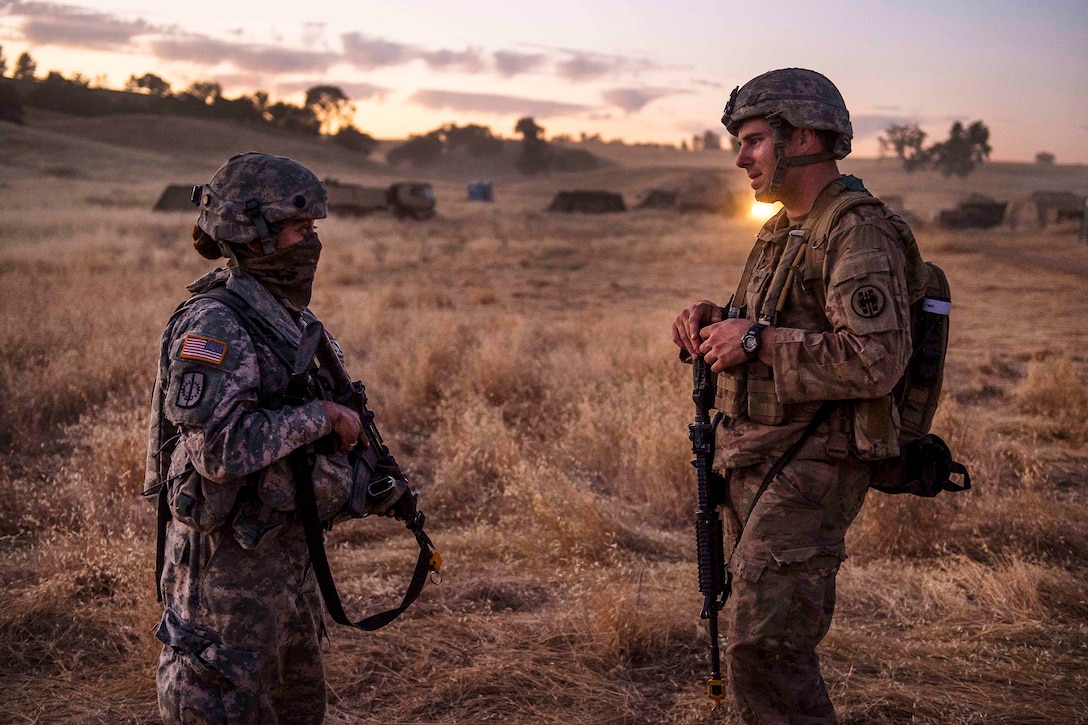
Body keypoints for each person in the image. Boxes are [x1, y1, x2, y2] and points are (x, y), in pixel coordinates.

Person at [672, 69, 926, 723]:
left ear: (807, 136)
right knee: (758, 642)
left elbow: (877, 360)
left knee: (766, 649)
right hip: (760, 453)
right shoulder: (784, 228)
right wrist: (714, 319)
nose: (740, 157)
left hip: (815, 465)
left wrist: (754, 341)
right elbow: (777, 319)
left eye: (754, 139)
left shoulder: (856, 232)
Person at [144, 152, 389, 723]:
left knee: (295, 704)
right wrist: (321, 416)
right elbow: (218, 450)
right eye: (301, 229)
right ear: (253, 235)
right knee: (219, 703)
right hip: (225, 569)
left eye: (314, 229)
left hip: (284, 556)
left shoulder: (290, 319)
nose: (313, 242)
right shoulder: (215, 324)